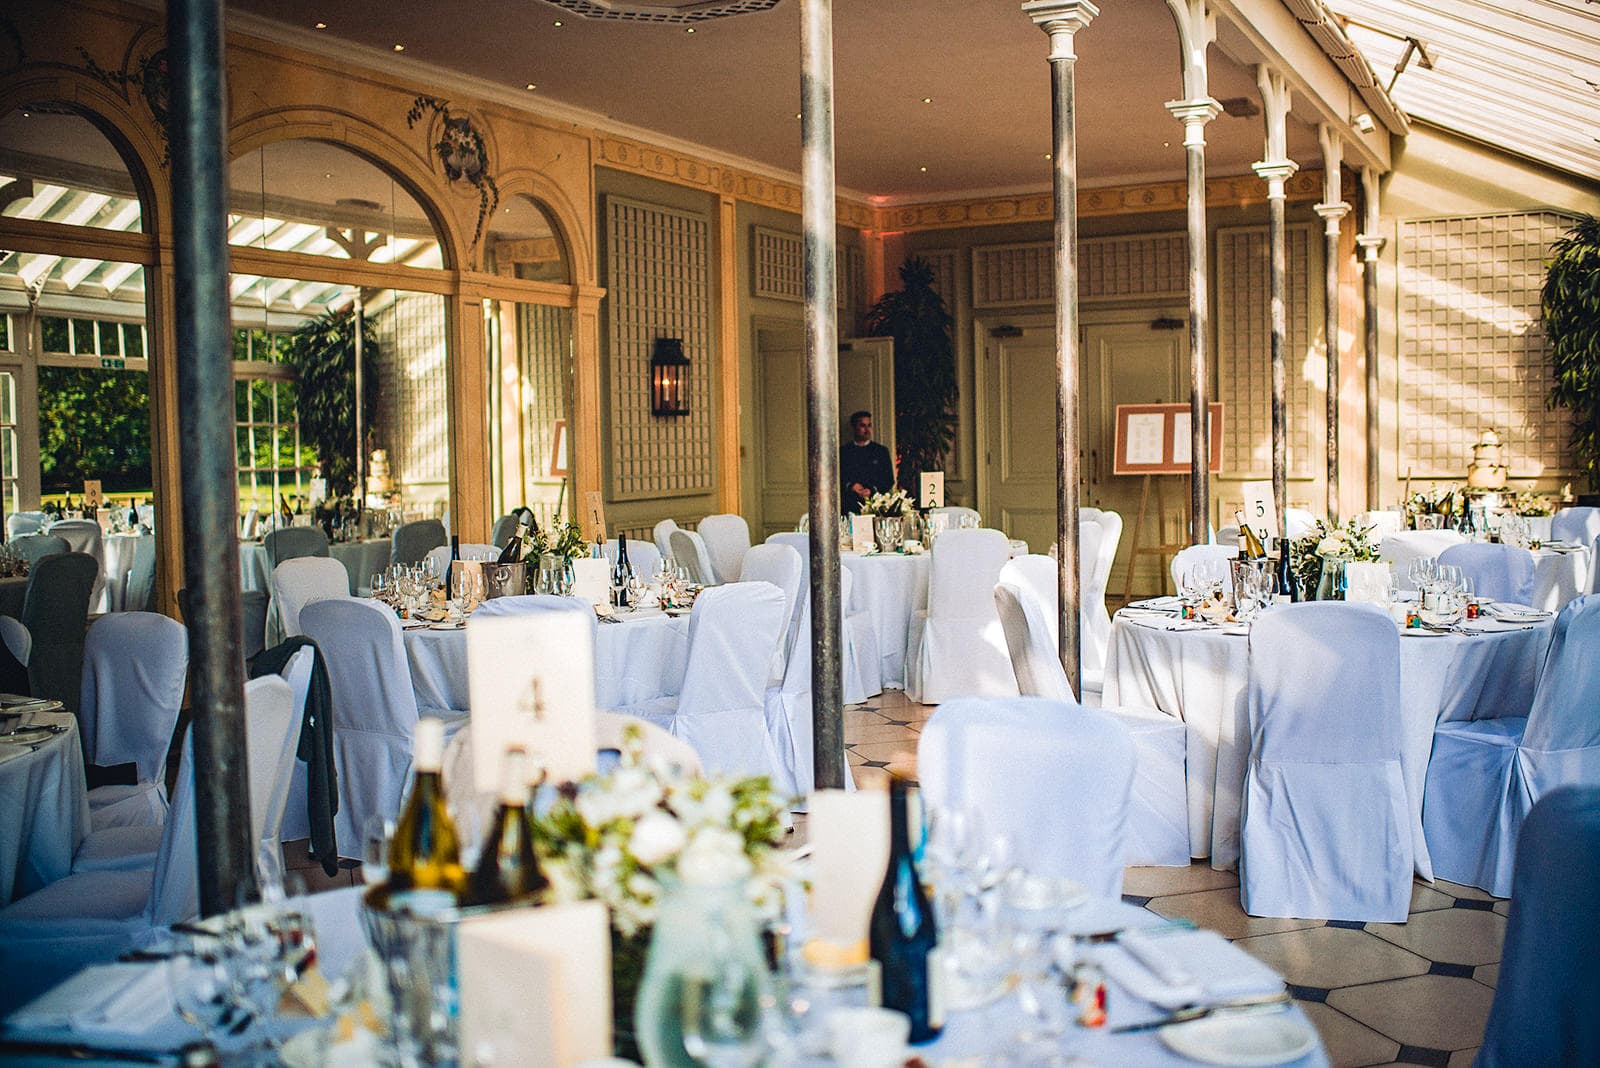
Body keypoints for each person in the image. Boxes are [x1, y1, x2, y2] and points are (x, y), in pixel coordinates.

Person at [841, 410, 895, 512]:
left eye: (869, 425)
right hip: (849, 505)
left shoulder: (881, 451)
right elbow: (838, 478)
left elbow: (889, 480)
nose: (867, 430)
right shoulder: (844, 452)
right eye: (862, 426)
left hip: (876, 506)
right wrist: (851, 486)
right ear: (854, 427)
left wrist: (872, 490)